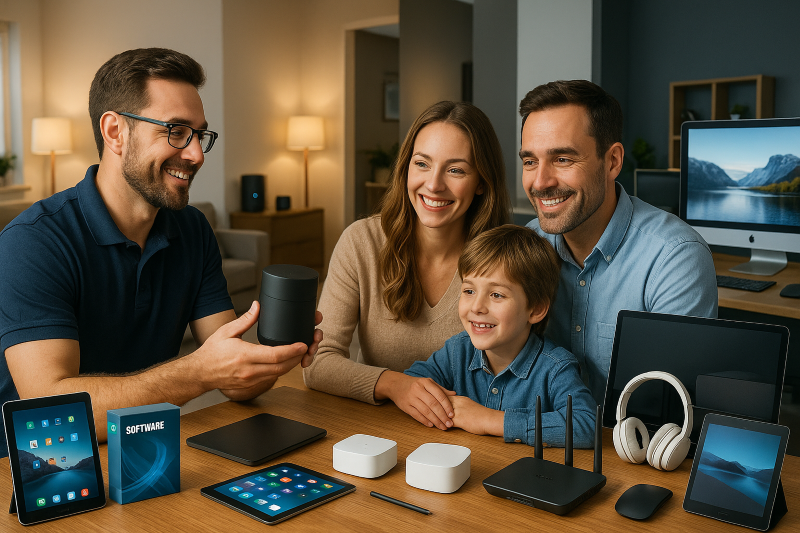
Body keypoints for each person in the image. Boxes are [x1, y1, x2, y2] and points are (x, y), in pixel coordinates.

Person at [0, 48, 321, 454]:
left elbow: (230, 376)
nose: (196, 154)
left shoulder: (192, 229)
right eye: (175, 130)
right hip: (43, 470)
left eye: (200, 134)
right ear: (115, 132)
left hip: (147, 454)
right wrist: (198, 372)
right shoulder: (33, 242)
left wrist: (273, 356)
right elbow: (50, 407)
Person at [303, 101, 511, 430]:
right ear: (406, 169)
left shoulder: (507, 260)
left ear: (482, 182)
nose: (434, 184)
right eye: (422, 164)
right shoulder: (361, 242)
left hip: (475, 441)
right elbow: (318, 362)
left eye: (455, 169)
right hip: (377, 433)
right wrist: (396, 385)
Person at [518, 80, 718, 405]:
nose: (540, 181)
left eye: (563, 159)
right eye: (530, 161)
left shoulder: (675, 258)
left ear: (612, 161)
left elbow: (673, 408)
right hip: (538, 439)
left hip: (632, 450)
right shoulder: (526, 246)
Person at [405, 225, 596, 447]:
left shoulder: (556, 368)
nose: (477, 307)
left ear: (535, 310)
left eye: (496, 294)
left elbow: (586, 425)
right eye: (469, 291)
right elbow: (413, 384)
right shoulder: (457, 351)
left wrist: (488, 420)